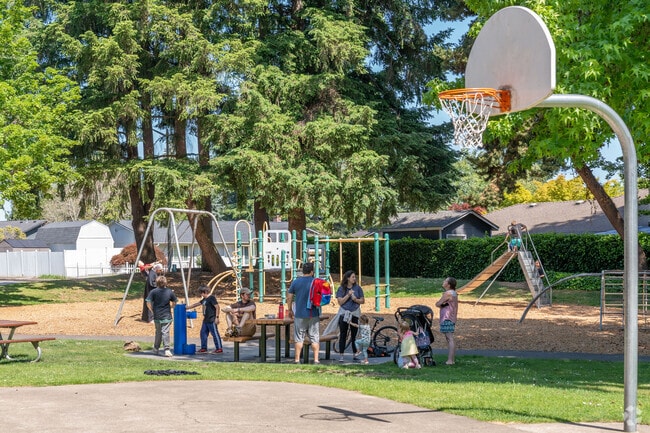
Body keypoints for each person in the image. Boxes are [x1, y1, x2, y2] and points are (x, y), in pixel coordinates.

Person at [287, 262, 320, 364]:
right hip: (313, 313)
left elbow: (289, 297)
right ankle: (316, 359)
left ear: (302, 271)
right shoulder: (316, 282)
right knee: (314, 337)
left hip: (300, 313)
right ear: (312, 271)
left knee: (299, 337)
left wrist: (290, 309)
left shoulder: (296, 282)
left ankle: (297, 360)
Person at [335, 270, 365, 362]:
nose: (354, 278)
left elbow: (362, 300)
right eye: (352, 277)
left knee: (354, 334)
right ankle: (341, 355)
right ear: (347, 278)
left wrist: (355, 299)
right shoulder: (341, 289)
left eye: (355, 277)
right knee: (343, 334)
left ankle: (354, 354)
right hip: (344, 312)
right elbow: (340, 302)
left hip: (355, 312)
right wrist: (348, 295)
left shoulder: (358, 288)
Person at [145, 275, 177, 357]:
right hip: (166, 315)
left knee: (158, 332)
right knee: (165, 332)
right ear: (165, 282)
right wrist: (172, 307)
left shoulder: (153, 292)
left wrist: (151, 309)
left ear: (157, 282)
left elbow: (148, 302)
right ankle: (166, 349)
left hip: (157, 315)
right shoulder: (169, 291)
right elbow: (174, 302)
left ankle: (156, 348)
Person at [188, 285, 223, 353]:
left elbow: (217, 307)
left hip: (211, 319)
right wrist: (188, 307)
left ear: (205, 292)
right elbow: (197, 304)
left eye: (201, 293)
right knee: (203, 333)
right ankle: (204, 347)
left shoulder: (211, 298)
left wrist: (217, 317)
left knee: (214, 333)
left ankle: (219, 348)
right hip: (206, 319)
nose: (201, 294)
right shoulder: (204, 299)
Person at [435, 276, 458, 365]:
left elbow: (438, 303)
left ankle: (450, 360)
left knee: (449, 338)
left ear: (448, 284)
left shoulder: (448, 293)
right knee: (449, 338)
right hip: (451, 317)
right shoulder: (454, 293)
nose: (443, 282)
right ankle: (451, 359)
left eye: (445, 281)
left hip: (446, 317)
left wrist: (440, 304)